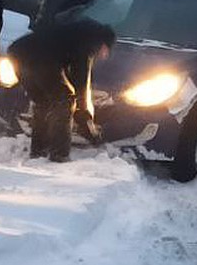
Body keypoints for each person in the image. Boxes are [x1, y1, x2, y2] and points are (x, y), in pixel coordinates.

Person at [7, 19, 116, 162]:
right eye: (106, 52)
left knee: (43, 102)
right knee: (65, 99)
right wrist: (83, 112)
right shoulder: (90, 41)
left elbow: (67, 71)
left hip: (18, 53)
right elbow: (81, 75)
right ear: (104, 45)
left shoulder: (78, 30)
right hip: (39, 58)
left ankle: (38, 150)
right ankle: (59, 154)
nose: (104, 56)